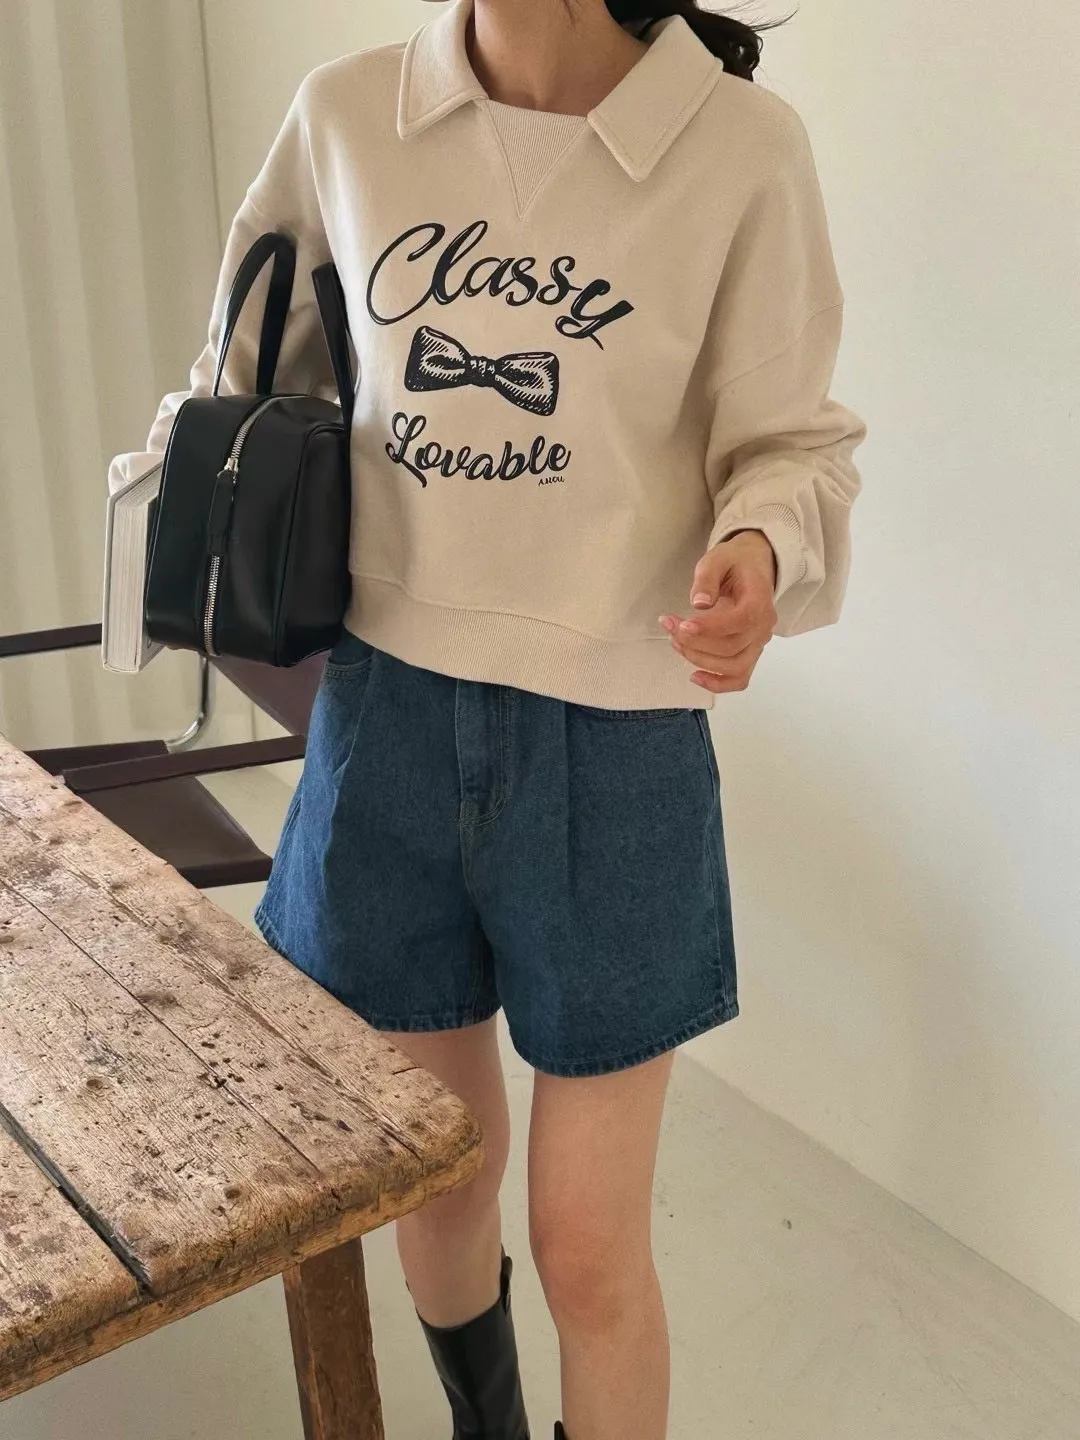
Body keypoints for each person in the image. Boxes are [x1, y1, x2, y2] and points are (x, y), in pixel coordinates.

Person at [108, 1, 866, 1436]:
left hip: (616, 743)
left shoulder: (740, 148)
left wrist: (762, 546)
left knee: (588, 1248)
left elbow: (792, 443)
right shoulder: (348, 115)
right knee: (438, 1179)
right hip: (386, 717)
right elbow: (243, 383)